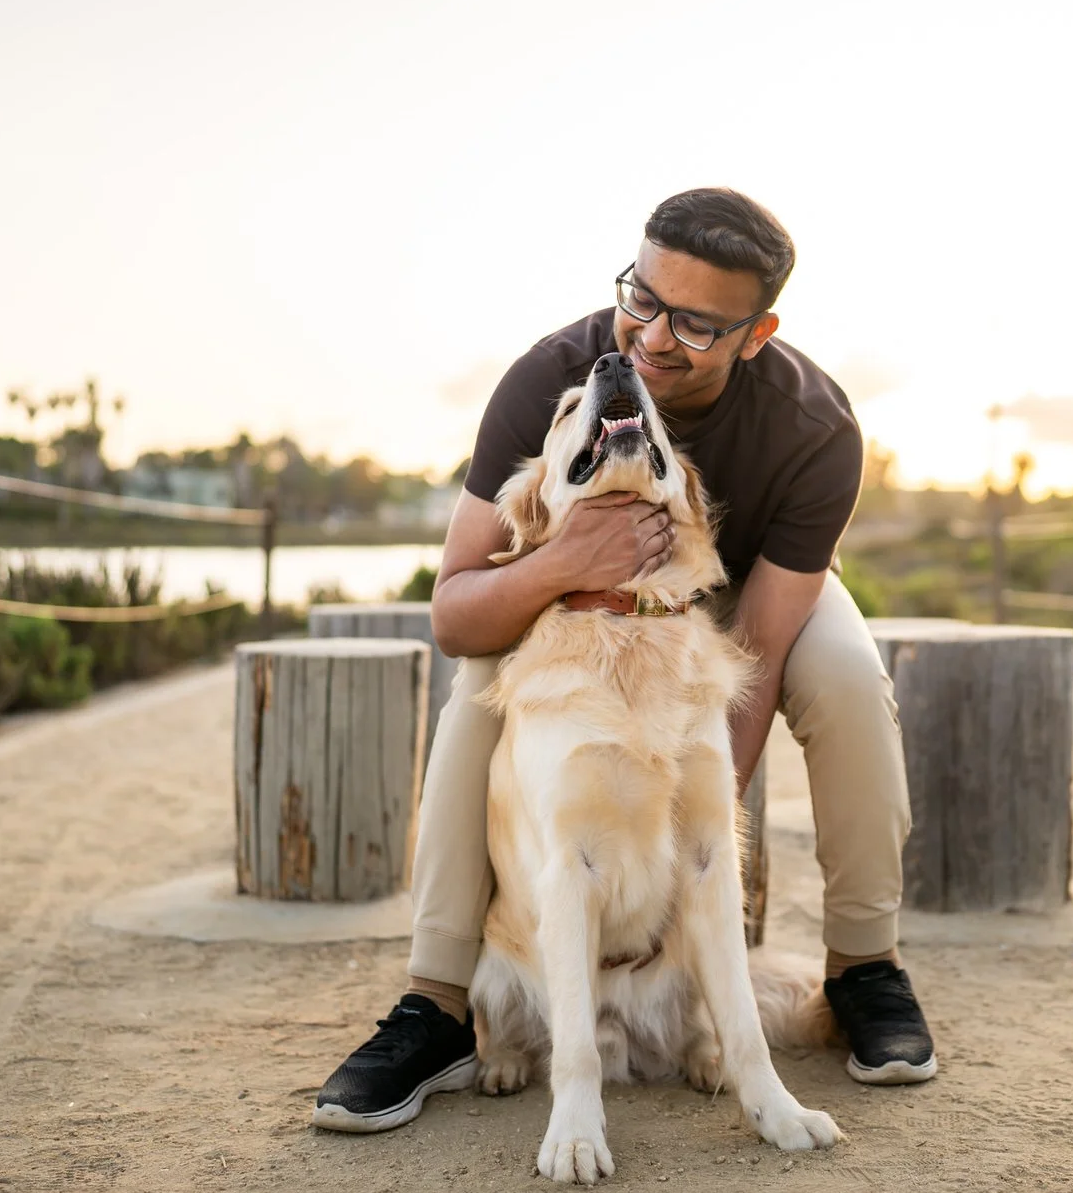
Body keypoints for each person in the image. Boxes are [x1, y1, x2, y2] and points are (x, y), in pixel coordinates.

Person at [313, 189, 936, 1135]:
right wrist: (568, 562)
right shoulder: (551, 380)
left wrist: (687, 826)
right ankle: (437, 1001)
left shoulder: (818, 426)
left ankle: (863, 967)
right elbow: (454, 607)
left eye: (693, 322)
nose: (649, 335)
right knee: (481, 684)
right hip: (570, 585)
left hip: (740, 584)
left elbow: (758, 650)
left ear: (756, 332)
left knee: (846, 677)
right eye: (641, 296)